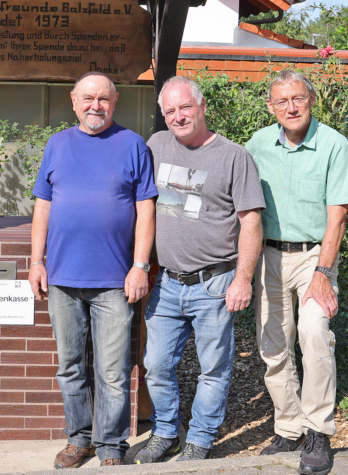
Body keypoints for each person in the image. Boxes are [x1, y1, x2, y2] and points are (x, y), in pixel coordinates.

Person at [29, 71, 157, 469]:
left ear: (114, 102)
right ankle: (78, 439)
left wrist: (140, 266)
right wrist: (36, 261)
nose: (95, 105)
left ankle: (111, 444)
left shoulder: (133, 145)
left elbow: (146, 209)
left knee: (114, 370)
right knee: (70, 367)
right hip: (64, 279)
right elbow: (43, 206)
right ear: (73, 101)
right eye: (87, 98)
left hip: (115, 281)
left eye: (102, 98)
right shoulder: (58, 144)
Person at [135, 76, 264, 464]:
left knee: (214, 368)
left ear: (202, 105)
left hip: (215, 282)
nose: (178, 116)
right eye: (170, 111)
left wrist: (243, 279)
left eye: (185, 107)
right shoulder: (156, 145)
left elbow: (251, 221)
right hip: (169, 282)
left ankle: (201, 440)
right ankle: (166, 433)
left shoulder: (233, 156)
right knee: (155, 365)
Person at [244, 71, 348, 475]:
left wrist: (324, 272)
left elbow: (338, 217)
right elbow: (242, 204)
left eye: (298, 99)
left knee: (313, 333)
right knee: (273, 344)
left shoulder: (333, 144)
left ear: (311, 100)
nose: (290, 108)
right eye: (282, 101)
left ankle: (317, 431)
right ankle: (288, 427)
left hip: (314, 256)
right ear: (271, 107)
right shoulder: (257, 144)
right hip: (269, 257)